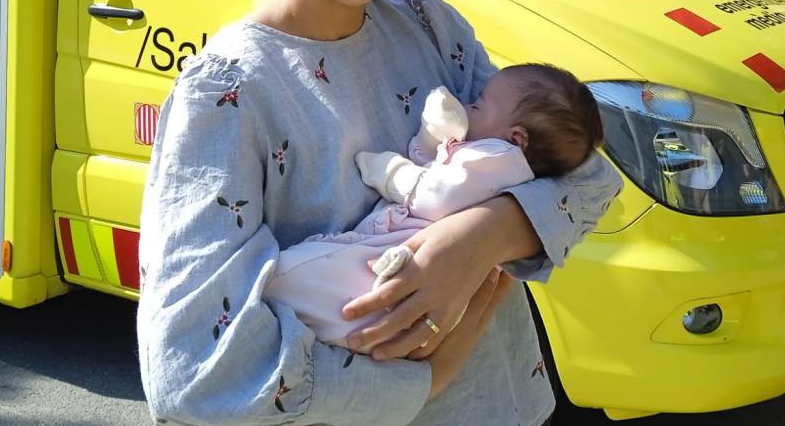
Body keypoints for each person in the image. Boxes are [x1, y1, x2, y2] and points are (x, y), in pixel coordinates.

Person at [137, 0, 622, 426]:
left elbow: (588, 174)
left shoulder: (432, 29)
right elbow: (191, 369)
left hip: (511, 417)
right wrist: (418, 383)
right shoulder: (227, 94)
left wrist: (480, 237)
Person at [257, 67, 605, 352]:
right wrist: (433, 133)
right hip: (402, 271)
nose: (468, 107)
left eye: (478, 106)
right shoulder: (493, 155)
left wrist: (390, 172)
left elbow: (433, 195)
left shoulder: (497, 159)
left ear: (516, 138)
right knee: (315, 289)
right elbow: (432, 164)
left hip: (401, 260)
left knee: (287, 280)